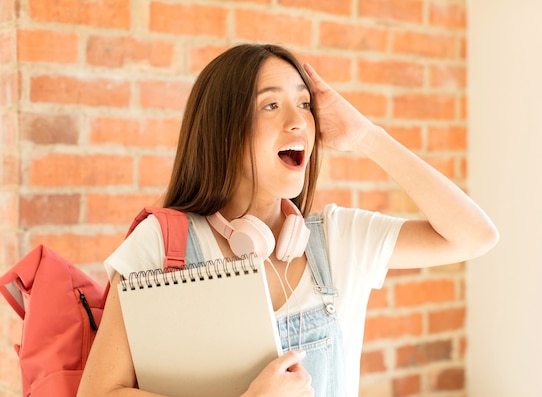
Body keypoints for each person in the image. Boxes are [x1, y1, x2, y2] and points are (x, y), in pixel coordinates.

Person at [78, 43, 499, 397]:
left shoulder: (337, 240)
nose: (298, 120)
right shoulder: (162, 243)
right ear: (224, 129)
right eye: (271, 104)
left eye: (304, 104)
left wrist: (366, 136)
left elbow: (475, 236)